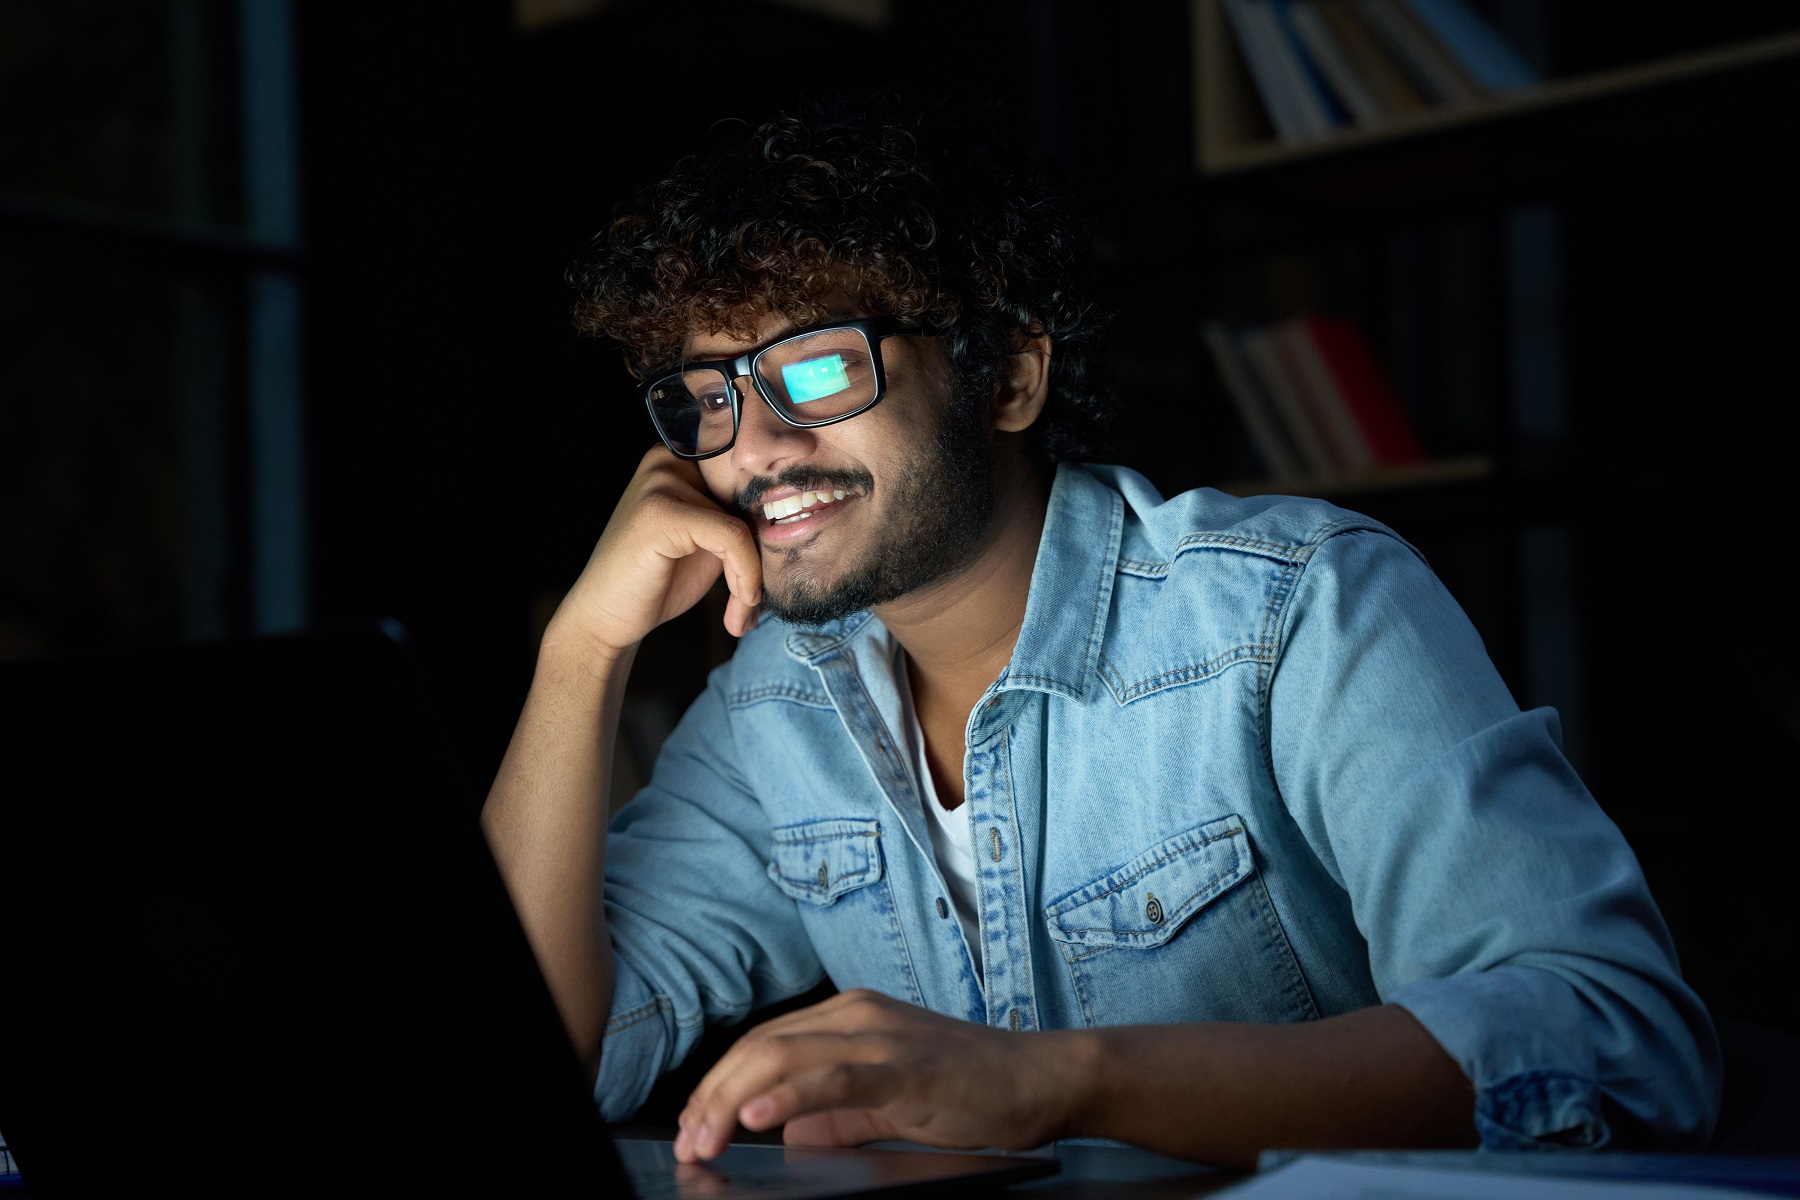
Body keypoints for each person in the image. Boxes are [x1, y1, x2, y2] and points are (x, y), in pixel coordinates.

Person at [480, 93, 1718, 1167]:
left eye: (814, 373)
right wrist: (577, 656)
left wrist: (1066, 1081)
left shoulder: (1297, 608)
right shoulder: (775, 706)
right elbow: (544, 1062)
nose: (749, 450)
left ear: (1009, 377)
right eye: (709, 398)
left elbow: (1610, 1038)